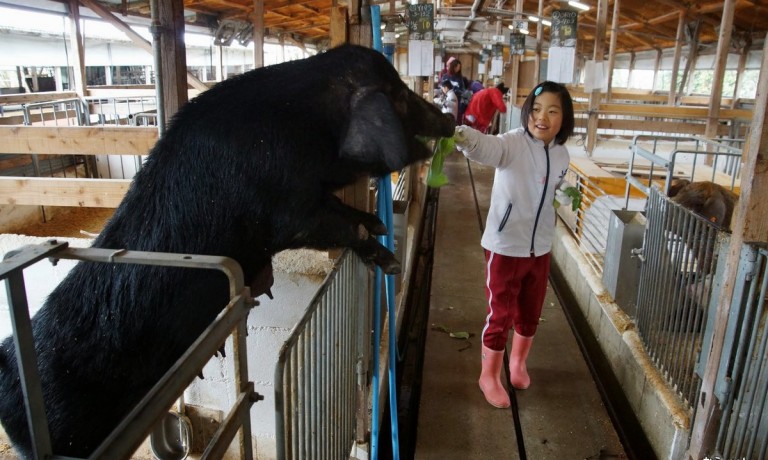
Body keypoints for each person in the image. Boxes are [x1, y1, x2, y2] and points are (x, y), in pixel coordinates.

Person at [453, 81, 577, 408]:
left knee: (531, 311)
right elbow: (486, 147)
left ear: (565, 118)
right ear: (527, 113)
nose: (542, 117)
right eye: (536, 110)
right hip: (505, 246)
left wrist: (566, 195)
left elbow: (558, 187)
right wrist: (463, 136)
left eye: (552, 111)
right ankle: (489, 376)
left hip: (540, 247)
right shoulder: (512, 144)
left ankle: (518, 363)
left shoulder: (562, 154)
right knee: (501, 313)